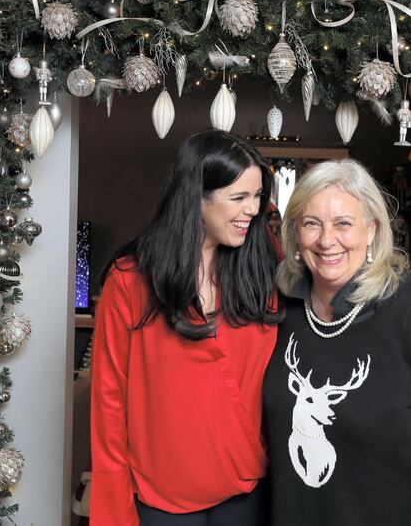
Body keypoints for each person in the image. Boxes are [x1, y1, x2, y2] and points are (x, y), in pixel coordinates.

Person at [263, 159, 411, 525]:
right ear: (294, 232)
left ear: (371, 230)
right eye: (311, 223)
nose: (326, 240)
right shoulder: (282, 311)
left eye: (343, 224)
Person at [90, 129, 281, 525]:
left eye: (258, 196)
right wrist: (114, 509)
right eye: (239, 197)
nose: (253, 209)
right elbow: (109, 401)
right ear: (196, 196)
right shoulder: (130, 281)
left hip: (247, 491)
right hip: (161, 500)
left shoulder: (265, 269)